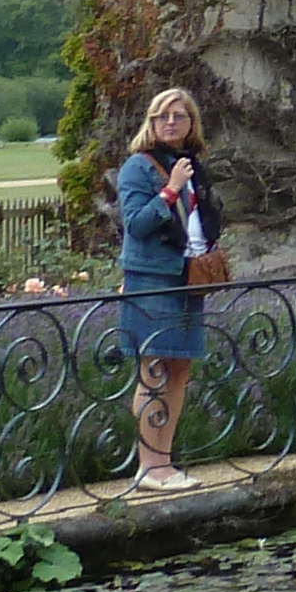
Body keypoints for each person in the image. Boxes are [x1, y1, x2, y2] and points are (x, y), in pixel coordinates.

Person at [114, 88, 219, 492]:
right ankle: (149, 466)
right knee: (154, 370)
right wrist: (170, 189)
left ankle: (166, 463)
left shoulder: (192, 164)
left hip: (188, 278)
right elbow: (137, 224)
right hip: (152, 280)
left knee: (180, 369)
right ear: (151, 123)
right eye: (162, 116)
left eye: (179, 116)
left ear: (192, 123)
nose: (171, 123)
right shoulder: (137, 168)